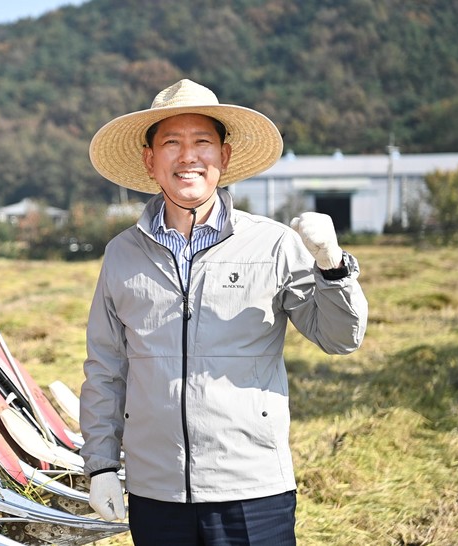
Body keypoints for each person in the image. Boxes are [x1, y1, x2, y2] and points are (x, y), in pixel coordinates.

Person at [79, 79, 368, 545]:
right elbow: (105, 368)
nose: (187, 157)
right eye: (171, 143)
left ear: (224, 157)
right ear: (150, 160)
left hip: (253, 489)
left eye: (202, 143)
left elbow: (340, 338)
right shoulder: (121, 254)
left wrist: (331, 266)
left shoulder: (273, 244)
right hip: (155, 492)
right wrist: (101, 466)